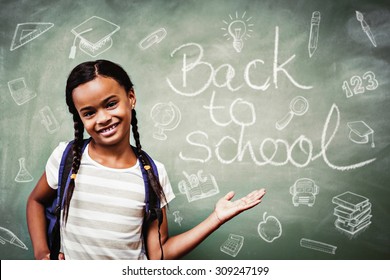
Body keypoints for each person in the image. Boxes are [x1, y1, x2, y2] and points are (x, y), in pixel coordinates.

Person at [26, 59, 266, 260]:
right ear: (79, 117)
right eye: (89, 113)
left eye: (111, 104)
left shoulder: (152, 173)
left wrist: (216, 219)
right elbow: (36, 202)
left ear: (131, 97)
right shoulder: (67, 157)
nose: (103, 118)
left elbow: (158, 255)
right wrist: (41, 254)